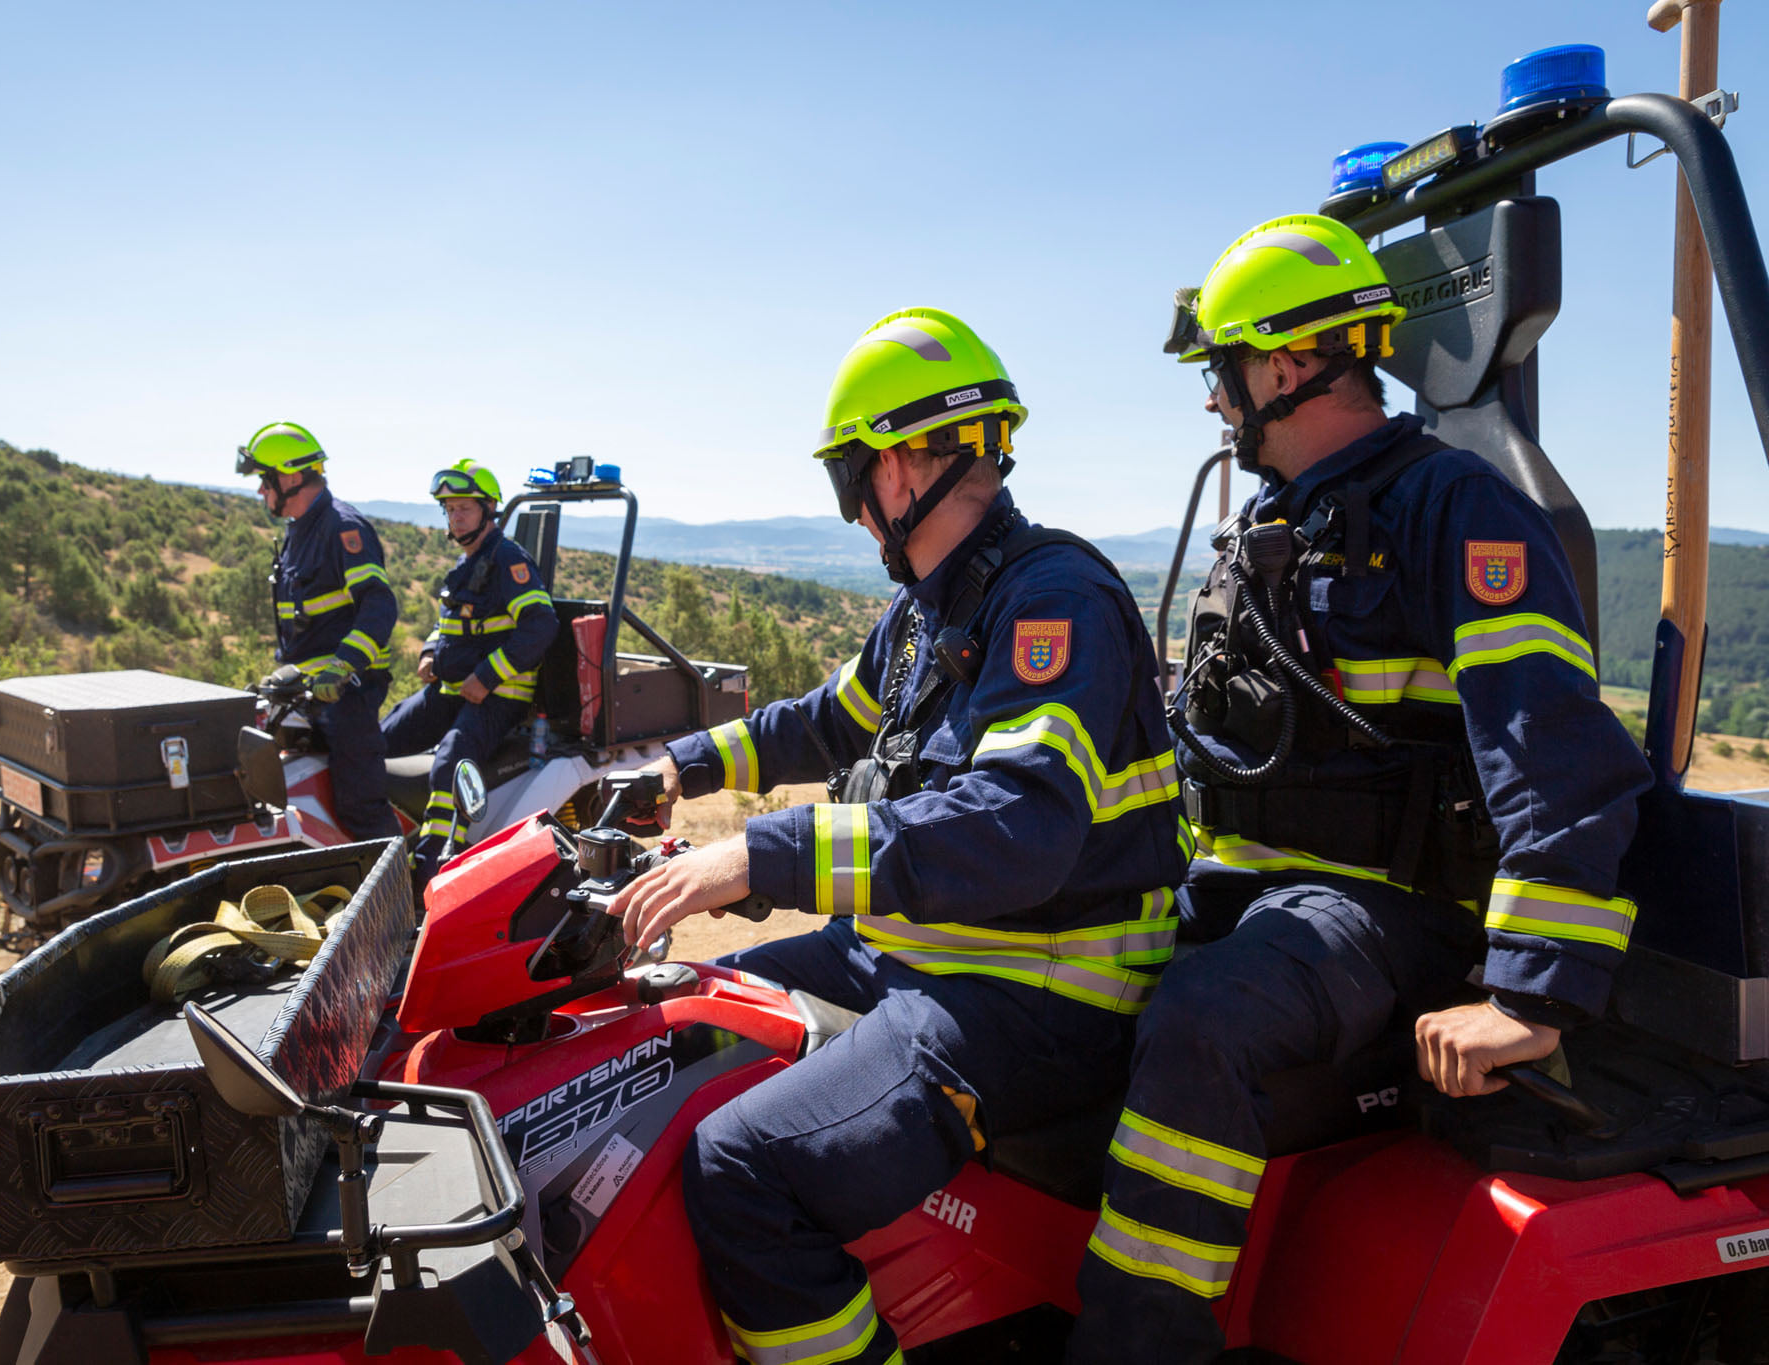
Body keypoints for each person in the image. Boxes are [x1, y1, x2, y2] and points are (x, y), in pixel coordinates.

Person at [1066, 215, 1652, 1364]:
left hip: (1387, 914)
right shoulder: (1269, 524)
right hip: (1245, 888)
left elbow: (1555, 755)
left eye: (1219, 371)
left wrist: (1527, 997)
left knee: (1200, 1020)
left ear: (1283, 366)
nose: (1210, 403)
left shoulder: (1455, 511)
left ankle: (1140, 1343)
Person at [611, 309, 1192, 1365]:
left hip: (1037, 993)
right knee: (672, 1028)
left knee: (741, 1164)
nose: (851, 506)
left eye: (851, 473)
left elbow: (1016, 830)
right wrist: (677, 769)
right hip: (910, 954)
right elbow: (824, 720)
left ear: (899, 464)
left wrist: (757, 854)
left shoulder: (1050, 599)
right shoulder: (935, 607)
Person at [379, 458, 556, 859]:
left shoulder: (508, 560)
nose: (455, 517)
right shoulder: (468, 562)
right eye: (450, 509)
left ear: (488, 510)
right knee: (377, 742)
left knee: (449, 766)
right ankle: (383, 849)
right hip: (452, 690)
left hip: (497, 698)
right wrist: (429, 651)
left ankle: (432, 865)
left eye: (464, 508)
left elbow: (540, 625)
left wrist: (487, 676)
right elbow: (450, 624)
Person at [237, 421, 399, 842]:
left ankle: (399, 898)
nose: (261, 492)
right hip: (308, 694)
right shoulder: (299, 532)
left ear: (290, 477)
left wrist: (344, 665)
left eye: (264, 480)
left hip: (349, 695)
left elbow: (378, 604)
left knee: (359, 808)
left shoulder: (343, 527)